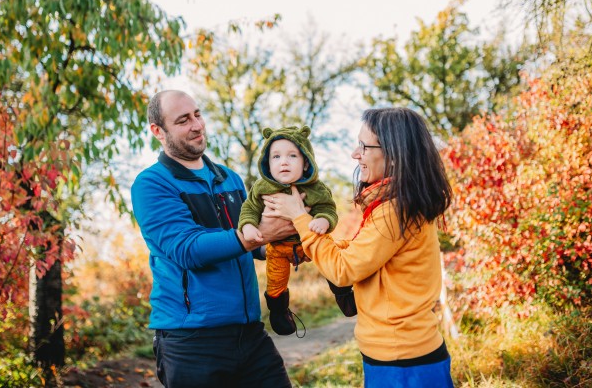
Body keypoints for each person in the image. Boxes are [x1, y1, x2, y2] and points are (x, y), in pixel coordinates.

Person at [263, 107, 455, 387]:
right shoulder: (396, 205)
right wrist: (315, 246)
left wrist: (300, 218)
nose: (355, 154)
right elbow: (362, 254)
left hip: (401, 360)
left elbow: (343, 270)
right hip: (402, 354)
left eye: (364, 146)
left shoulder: (395, 210)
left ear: (394, 154)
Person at [131, 90, 293, 388]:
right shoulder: (151, 184)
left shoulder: (229, 178)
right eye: (183, 120)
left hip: (249, 333)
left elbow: (254, 244)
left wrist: (284, 245)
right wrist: (262, 235)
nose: (197, 125)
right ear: (158, 131)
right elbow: (187, 249)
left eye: (198, 114)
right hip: (192, 341)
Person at [238, 125, 342, 336]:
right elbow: (249, 209)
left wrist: (323, 220)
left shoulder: (316, 188)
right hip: (278, 247)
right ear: (268, 163)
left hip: (310, 240)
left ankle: (343, 292)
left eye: (292, 156)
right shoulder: (261, 188)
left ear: (306, 163)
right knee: (275, 279)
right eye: (276, 157)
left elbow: (328, 208)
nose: (283, 161)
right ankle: (279, 312)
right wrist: (248, 226)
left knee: (334, 254)